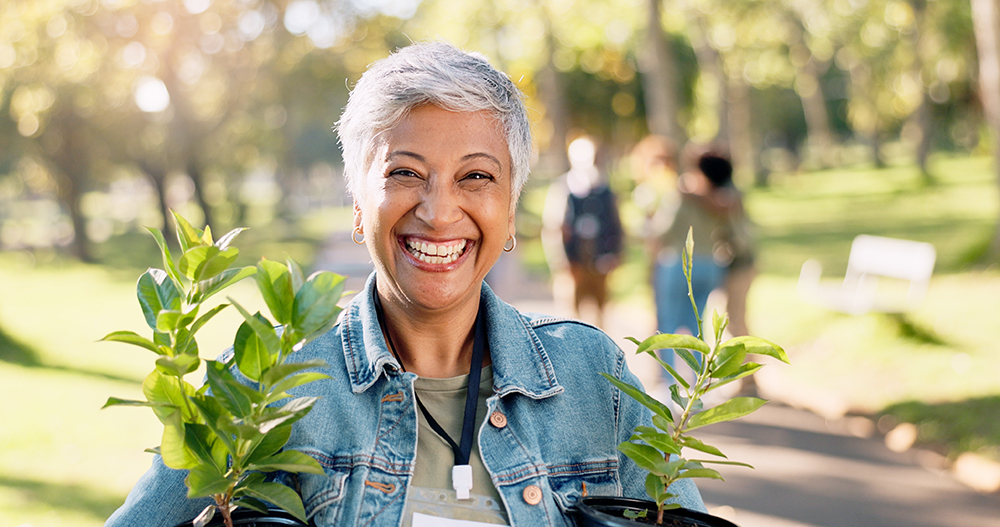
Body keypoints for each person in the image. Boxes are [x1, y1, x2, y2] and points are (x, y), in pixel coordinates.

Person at [105, 42, 704, 527]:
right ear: (358, 203)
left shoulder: (595, 379)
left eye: (476, 176)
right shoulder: (262, 385)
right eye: (405, 173)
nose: (439, 213)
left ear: (511, 208)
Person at [545, 136, 624, 327]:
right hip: (573, 266)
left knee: (601, 320)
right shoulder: (563, 189)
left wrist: (614, 254)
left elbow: (616, 225)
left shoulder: (605, 191)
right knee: (569, 320)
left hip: (600, 264)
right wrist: (563, 261)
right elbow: (554, 229)